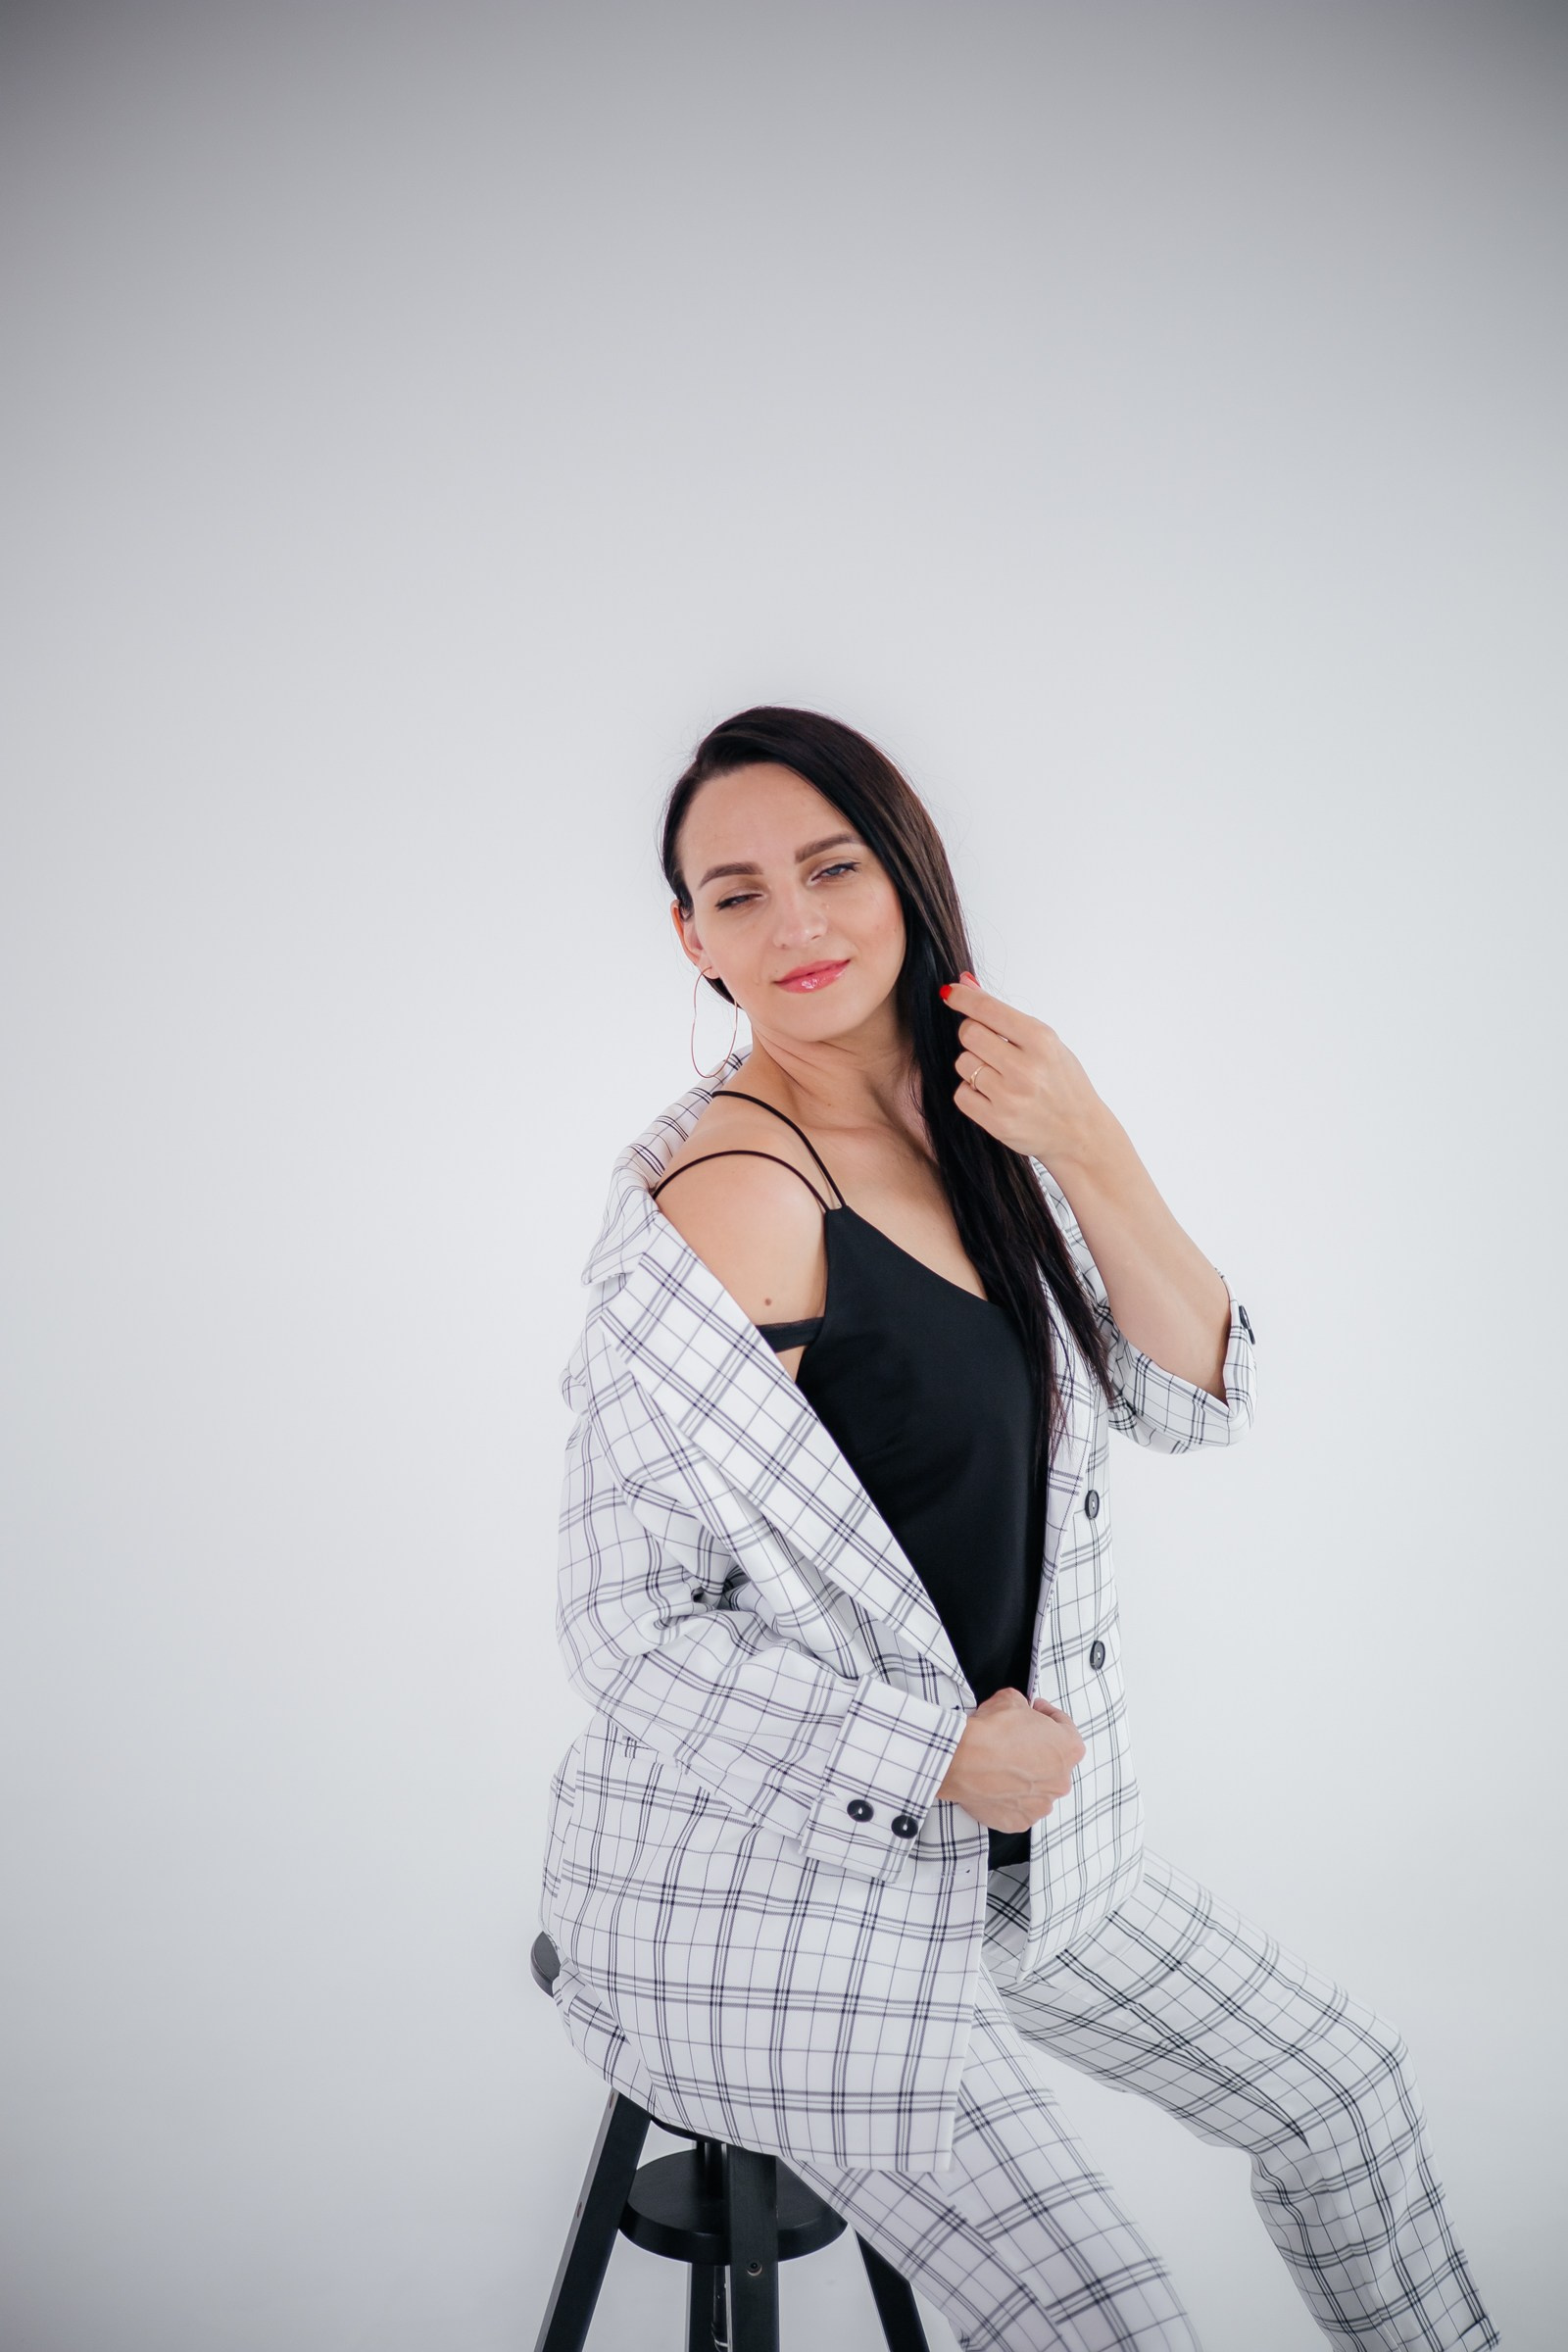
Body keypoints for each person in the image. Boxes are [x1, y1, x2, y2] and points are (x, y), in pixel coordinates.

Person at [539, 707, 1498, 2350]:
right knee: (1120, 2322)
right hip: (774, 1902)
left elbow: (1194, 1401)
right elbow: (627, 1623)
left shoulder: (980, 1122)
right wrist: (931, 1752)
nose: (797, 924)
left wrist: (1091, 1141)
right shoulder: (737, 1197)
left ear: (907, 875)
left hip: (1032, 1862)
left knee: (1346, 2095)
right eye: (740, 895)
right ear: (692, 940)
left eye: (833, 868)